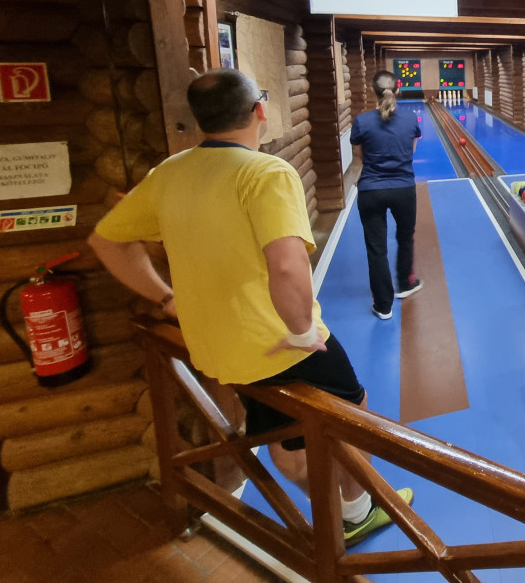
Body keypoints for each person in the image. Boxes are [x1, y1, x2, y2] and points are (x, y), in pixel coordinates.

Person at [89, 69, 410, 547]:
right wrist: (302, 331)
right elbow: (287, 265)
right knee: (355, 416)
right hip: (278, 345)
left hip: (216, 349)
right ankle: (358, 511)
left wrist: (165, 298)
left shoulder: (169, 172)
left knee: (284, 434)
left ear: (200, 119)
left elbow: (106, 241)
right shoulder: (265, 173)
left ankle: (332, 514)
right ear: (260, 110)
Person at [351, 70, 423, 319]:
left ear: (373, 91)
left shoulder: (361, 121)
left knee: (376, 248)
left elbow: (359, 155)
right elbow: (411, 151)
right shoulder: (411, 118)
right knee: (405, 236)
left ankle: (383, 305)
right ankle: (405, 283)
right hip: (403, 189)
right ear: (398, 90)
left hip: (371, 190)